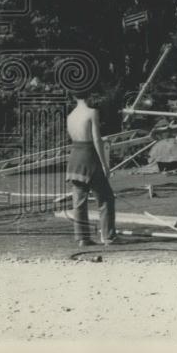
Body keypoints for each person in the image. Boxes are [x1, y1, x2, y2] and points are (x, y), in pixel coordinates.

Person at [65, 94, 117, 246]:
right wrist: (104, 164)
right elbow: (95, 139)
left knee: (79, 202)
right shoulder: (92, 112)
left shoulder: (70, 116)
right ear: (88, 96)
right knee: (106, 198)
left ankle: (82, 238)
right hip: (89, 157)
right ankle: (108, 236)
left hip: (75, 157)